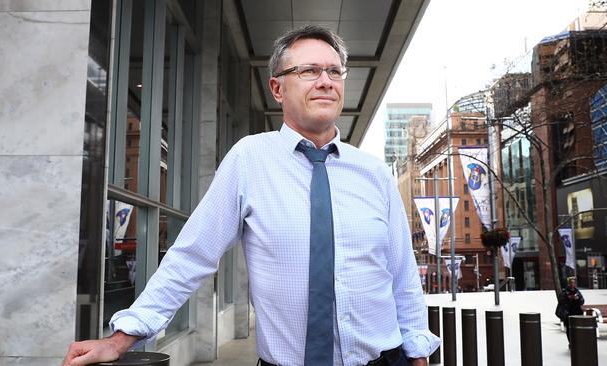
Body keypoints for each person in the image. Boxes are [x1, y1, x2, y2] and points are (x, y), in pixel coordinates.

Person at [62, 25, 440, 366]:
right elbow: (192, 255)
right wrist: (122, 337)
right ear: (277, 88)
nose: (326, 81)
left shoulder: (374, 173)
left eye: (334, 71)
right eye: (309, 71)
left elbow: (403, 276)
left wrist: (418, 352)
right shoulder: (249, 159)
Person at [555, 277, 584, 346]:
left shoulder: (577, 291)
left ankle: (577, 341)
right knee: (569, 328)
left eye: (574, 283)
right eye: (571, 283)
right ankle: (571, 342)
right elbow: (561, 300)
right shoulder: (564, 291)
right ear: (569, 284)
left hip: (577, 313)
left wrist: (578, 299)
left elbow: (582, 301)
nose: (572, 284)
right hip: (568, 313)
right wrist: (569, 298)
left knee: (577, 328)